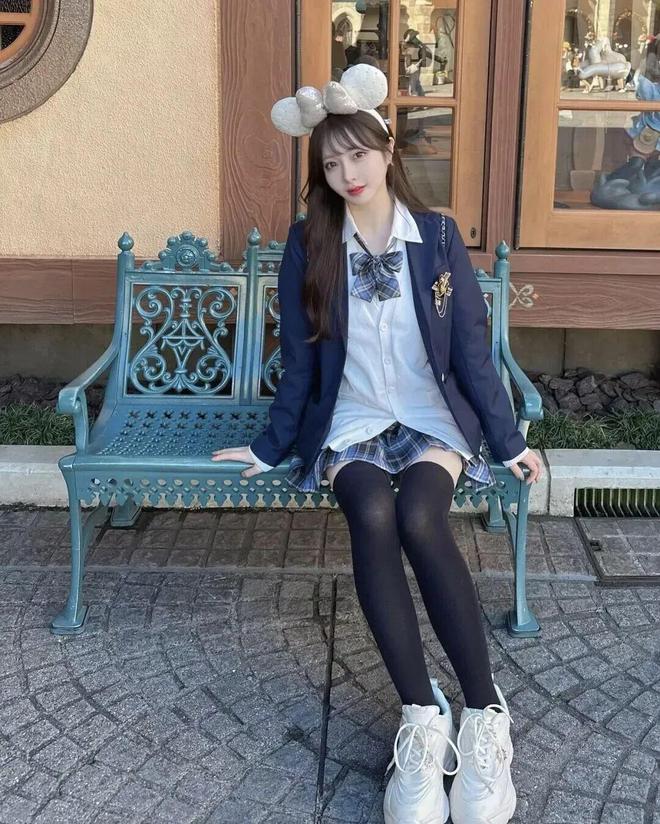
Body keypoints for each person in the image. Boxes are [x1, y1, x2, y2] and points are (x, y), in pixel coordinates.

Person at [212, 64, 542, 824]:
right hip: (353, 419)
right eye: (331, 164)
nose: (347, 174)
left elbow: (471, 350)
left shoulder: (438, 238)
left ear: (387, 150)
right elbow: (301, 361)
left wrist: (507, 440)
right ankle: (422, 716)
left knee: (420, 516)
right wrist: (269, 446)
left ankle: (485, 715)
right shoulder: (310, 244)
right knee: (370, 513)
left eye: (358, 155)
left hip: (430, 417)